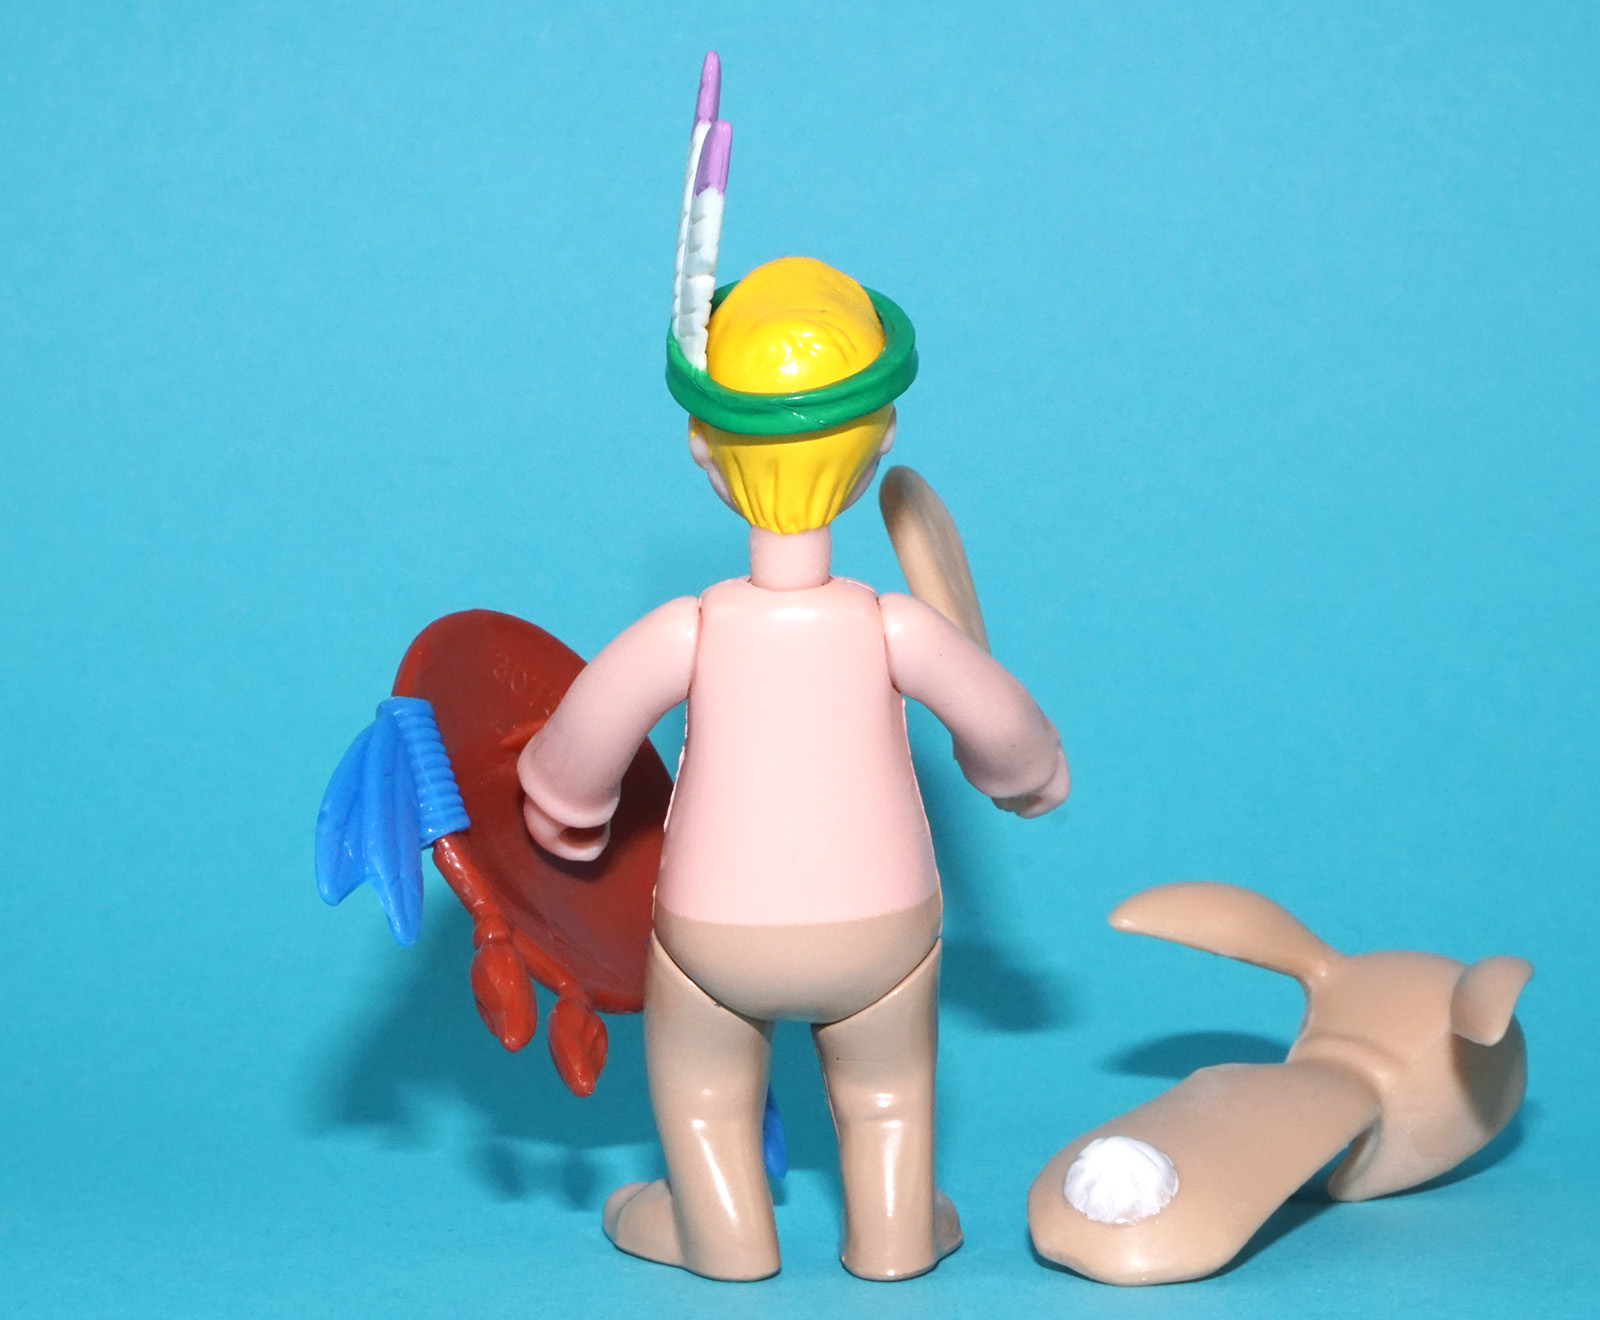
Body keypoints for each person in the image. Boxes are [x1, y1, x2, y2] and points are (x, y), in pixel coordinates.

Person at [517, 252, 1068, 1281]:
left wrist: (564, 804)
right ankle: (896, 1236)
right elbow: (1012, 737)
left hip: (712, 934)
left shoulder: (687, 629)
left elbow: (584, 735)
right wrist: (1026, 778)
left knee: (703, 1091)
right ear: (880, 441)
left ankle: (721, 1236)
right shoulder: (894, 626)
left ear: (703, 449)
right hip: (885, 931)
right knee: (889, 1093)